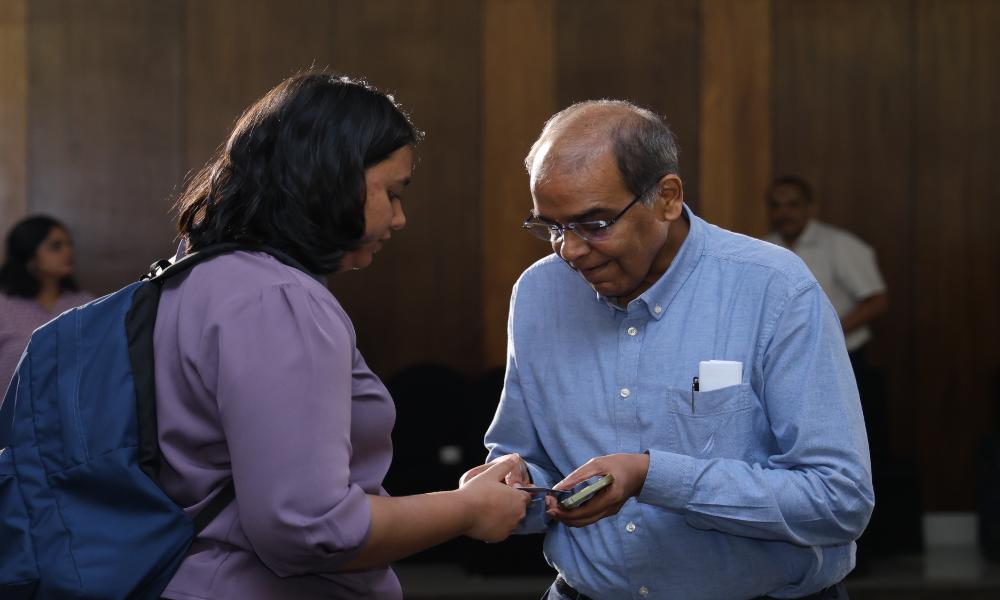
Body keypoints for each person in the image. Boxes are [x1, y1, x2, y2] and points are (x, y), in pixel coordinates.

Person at [470, 101, 874, 599]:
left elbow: (839, 500)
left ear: (667, 197)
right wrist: (513, 485)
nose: (569, 251)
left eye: (595, 224)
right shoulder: (539, 294)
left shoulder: (773, 289)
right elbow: (528, 461)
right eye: (551, 227)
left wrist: (653, 477)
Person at [154, 73, 529, 600]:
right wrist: (467, 509)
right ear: (331, 177)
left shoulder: (191, 276)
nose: (400, 218)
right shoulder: (279, 300)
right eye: (391, 193)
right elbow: (311, 529)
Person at [764, 176, 888, 395]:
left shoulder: (839, 244)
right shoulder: (763, 248)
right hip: (785, 361)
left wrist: (827, 331)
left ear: (811, 208)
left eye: (793, 205)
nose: (784, 213)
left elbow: (876, 300)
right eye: (776, 206)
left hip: (844, 357)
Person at [0, 215, 93, 389]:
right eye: (56, 246)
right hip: (11, 404)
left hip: (70, 404)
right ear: (29, 255)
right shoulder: (4, 306)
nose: (68, 252)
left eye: (69, 244)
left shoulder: (86, 304)